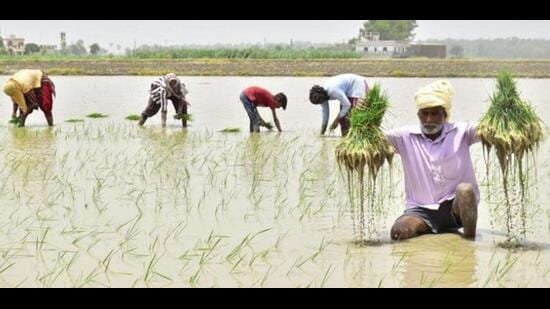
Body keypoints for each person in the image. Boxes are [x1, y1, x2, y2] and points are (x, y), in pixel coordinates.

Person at [384, 80, 479, 241]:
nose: (429, 120)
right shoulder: (404, 136)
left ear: (445, 115)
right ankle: (429, 230)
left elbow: (490, 130)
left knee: (465, 190)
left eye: (434, 113)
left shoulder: (462, 132)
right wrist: (362, 118)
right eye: (424, 113)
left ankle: (469, 242)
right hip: (421, 210)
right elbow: (374, 139)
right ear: (418, 115)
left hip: (455, 208)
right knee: (398, 232)